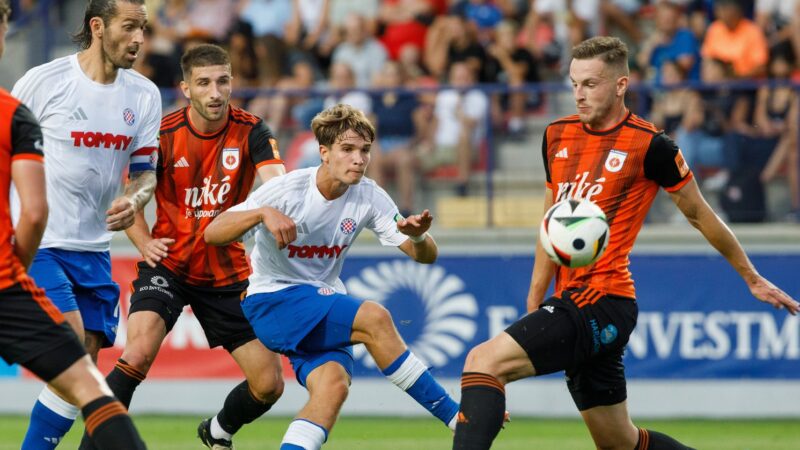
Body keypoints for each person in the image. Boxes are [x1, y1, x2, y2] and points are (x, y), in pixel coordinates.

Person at [451, 36, 800, 450]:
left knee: (482, 362)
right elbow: (552, 225)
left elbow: (700, 215)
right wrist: (535, 302)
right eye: (574, 83)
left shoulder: (651, 145)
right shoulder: (556, 136)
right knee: (620, 442)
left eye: (591, 84)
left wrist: (752, 277)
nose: (579, 94)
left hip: (603, 299)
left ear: (621, 84)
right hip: (573, 300)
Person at [204, 104, 460, 449]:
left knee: (332, 387)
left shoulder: (369, 195)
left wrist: (416, 236)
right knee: (374, 317)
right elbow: (213, 233)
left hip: (315, 301)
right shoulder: (287, 190)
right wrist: (262, 213)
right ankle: (455, 417)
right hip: (272, 299)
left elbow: (425, 256)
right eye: (348, 149)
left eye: (365, 150)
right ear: (324, 153)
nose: (359, 159)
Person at [75, 44, 290, 450]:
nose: (215, 92)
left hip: (228, 275)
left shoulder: (253, 131)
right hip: (169, 267)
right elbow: (135, 194)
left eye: (222, 81)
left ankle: (218, 430)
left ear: (232, 83)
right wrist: (143, 241)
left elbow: (278, 185)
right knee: (135, 355)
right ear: (185, 88)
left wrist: (276, 206)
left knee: (269, 385)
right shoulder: (162, 135)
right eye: (204, 83)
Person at [10, 1, 162, 448]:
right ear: (97, 26)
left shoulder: (144, 95)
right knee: (73, 346)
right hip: (40, 241)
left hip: (94, 249)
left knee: (86, 362)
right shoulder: (44, 82)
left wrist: (134, 200)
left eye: (143, 29)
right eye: (129, 27)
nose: (139, 39)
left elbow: (144, 171)